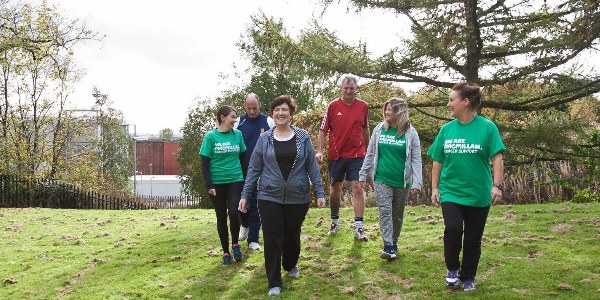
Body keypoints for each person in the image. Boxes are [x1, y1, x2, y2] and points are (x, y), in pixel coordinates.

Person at [239, 95, 326, 297]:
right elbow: (253, 169)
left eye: (284, 110)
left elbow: (312, 167)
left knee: (291, 236)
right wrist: (246, 195)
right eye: (277, 110)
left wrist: (319, 193)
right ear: (272, 114)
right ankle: (274, 282)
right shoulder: (264, 139)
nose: (280, 113)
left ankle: (290, 263)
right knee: (271, 238)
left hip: (298, 196)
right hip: (269, 196)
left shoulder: (303, 137)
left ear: (291, 114)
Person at [428, 82, 505, 291]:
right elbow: (437, 160)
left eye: (451, 100)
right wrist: (435, 188)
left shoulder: (487, 127)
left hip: (478, 194)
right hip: (451, 191)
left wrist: (497, 186)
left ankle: (468, 276)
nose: (448, 104)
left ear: (465, 101)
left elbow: (497, 158)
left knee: (473, 238)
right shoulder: (446, 130)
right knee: (452, 229)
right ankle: (452, 269)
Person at [359, 97, 422, 260]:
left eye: (391, 109)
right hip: (381, 178)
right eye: (386, 109)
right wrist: (363, 173)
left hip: (402, 181)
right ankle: (388, 245)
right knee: (385, 211)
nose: (387, 112)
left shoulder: (410, 133)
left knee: (397, 214)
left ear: (400, 112)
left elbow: (416, 159)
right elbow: (370, 152)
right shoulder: (379, 129)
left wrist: (417, 182)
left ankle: (394, 243)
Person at [316, 74, 370, 241]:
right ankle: (334, 222)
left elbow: (365, 129)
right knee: (336, 190)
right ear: (341, 88)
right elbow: (323, 130)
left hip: (357, 154)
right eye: (345, 88)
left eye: (351, 88)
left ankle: (359, 228)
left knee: (358, 187)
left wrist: (368, 151)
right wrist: (320, 151)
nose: (348, 91)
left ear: (356, 89)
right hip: (336, 155)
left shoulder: (363, 106)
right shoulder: (333, 106)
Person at [199, 105, 247, 265]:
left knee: (234, 213)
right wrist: (209, 185)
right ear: (222, 118)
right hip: (217, 184)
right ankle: (225, 251)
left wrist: (247, 182)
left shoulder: (238, 135)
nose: (235, 120)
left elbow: (243, 159)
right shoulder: (210, 137)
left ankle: (235, 245)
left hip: (235, 180)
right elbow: (204, 163)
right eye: (233, 117)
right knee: (221, 217)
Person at [235, 93, 275, 251]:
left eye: (255, 108)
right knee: (241, 201)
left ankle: (253, 239)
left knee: (256, 203)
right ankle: (244, 225)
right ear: (245, 106)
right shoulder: (239, 122)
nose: (252, 111)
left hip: (261, 169)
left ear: (259, 105)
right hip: (241, 168)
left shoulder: (268, 122)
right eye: (249, 108)